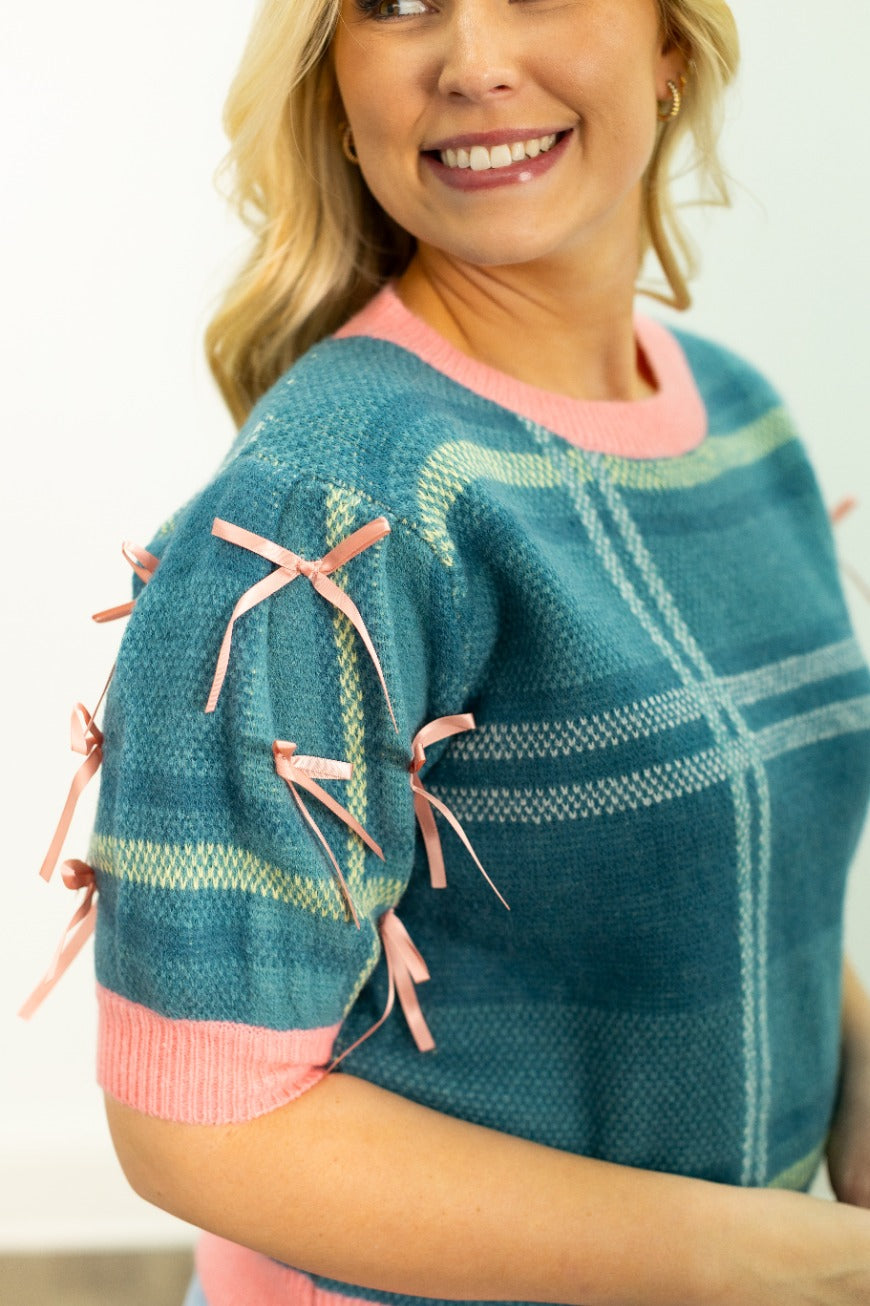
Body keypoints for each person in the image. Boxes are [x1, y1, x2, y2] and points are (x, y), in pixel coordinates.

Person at [25, 0, 870, 1302]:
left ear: (668, 44)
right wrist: (790, 1261)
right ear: (336, 83)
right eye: (397, 1)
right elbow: (200, 1121)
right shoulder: (327, 506)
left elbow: (736, 866)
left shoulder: (735, 417)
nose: (473, 62)